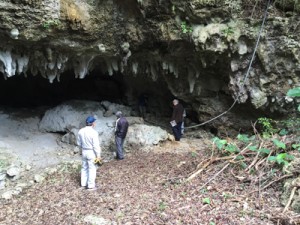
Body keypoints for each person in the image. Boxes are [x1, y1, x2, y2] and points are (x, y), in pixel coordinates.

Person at [77, 116, 101, 190]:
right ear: (93, 123)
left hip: (84, 151)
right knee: (92, 168)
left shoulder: (80, 131)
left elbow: (79, 143)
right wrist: (98, 155)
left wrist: (82, 148)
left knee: (84, 167)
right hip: (91, 152)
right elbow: (96, 146)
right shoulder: (94, 132)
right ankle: (90, 186)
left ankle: (83, 184)